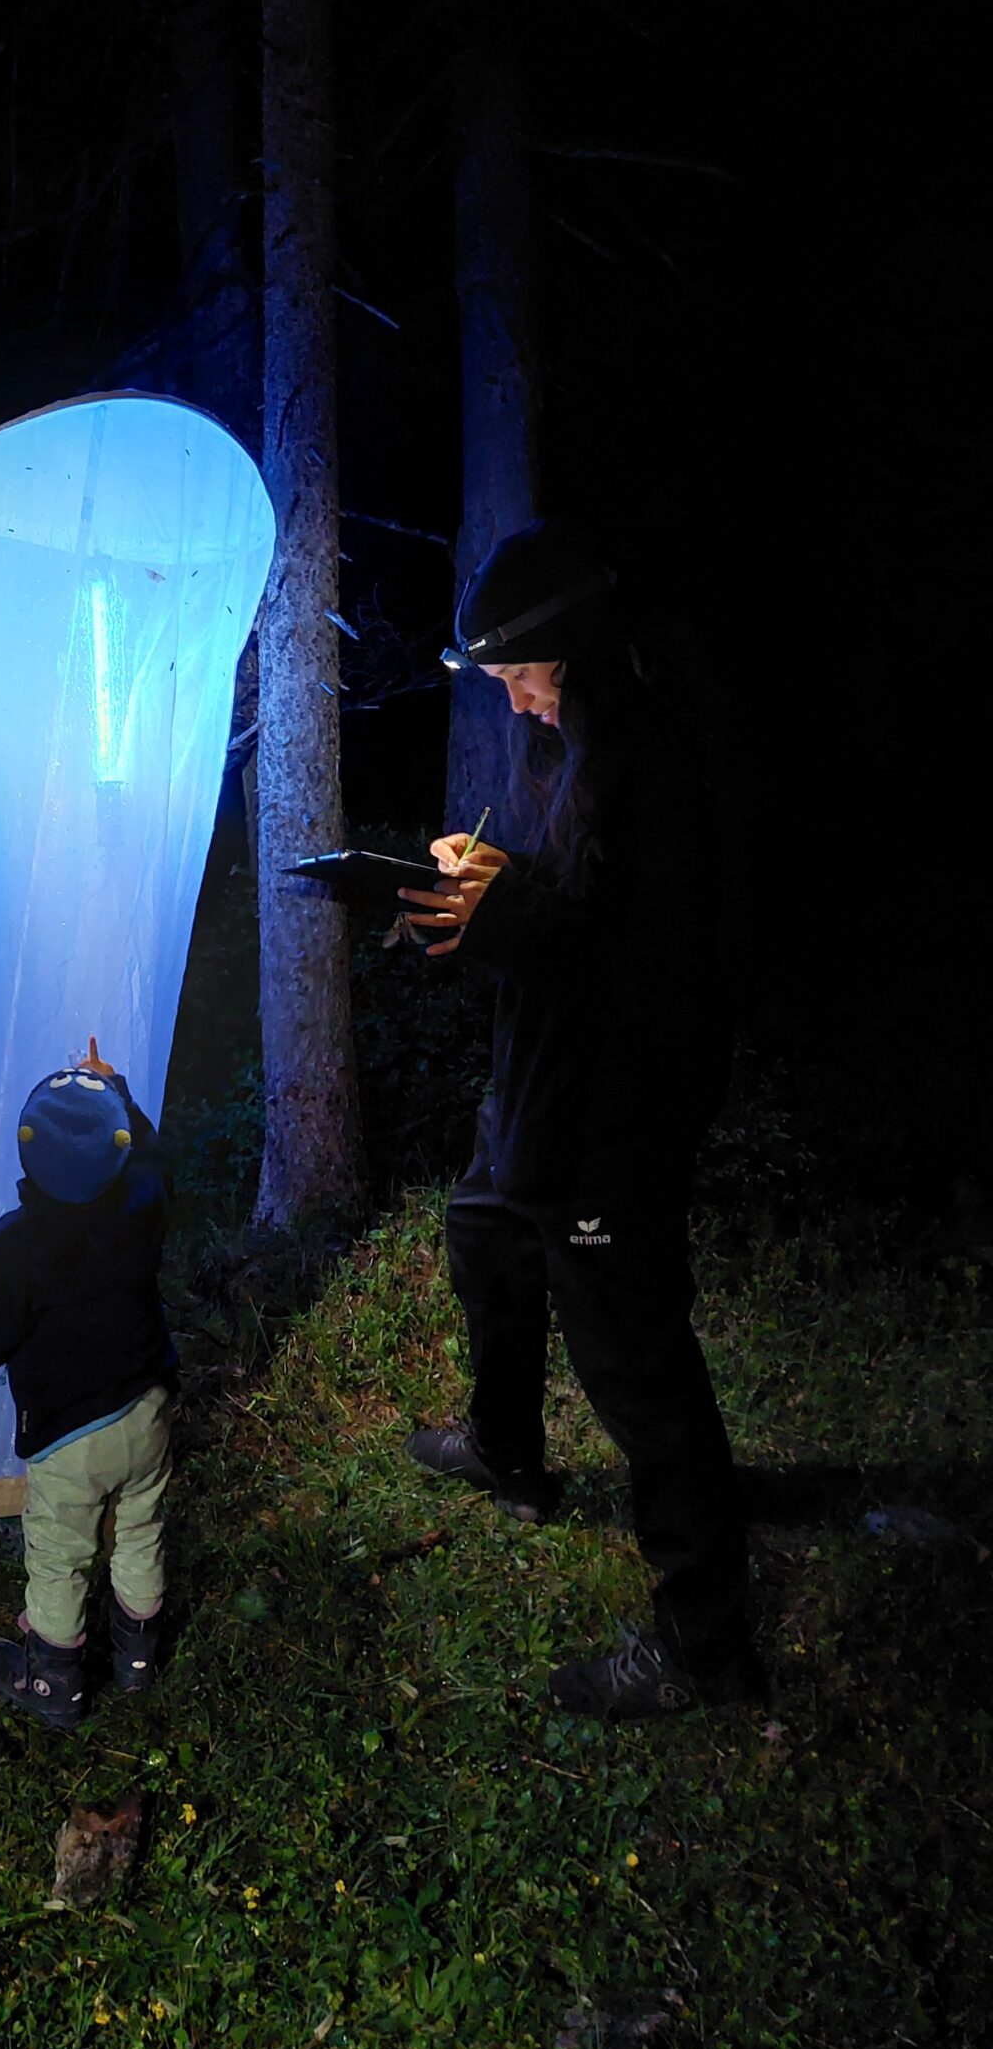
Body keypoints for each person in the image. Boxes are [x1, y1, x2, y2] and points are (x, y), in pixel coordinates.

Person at [398, 518, 765, 1721]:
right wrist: (482, 875)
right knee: (481, 1233)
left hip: (611, 1124)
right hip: (537, 1095)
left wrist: (501, 912)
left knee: (638, 1368)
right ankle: (505, 1446)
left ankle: (706, 1647)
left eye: (521, 675)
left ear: (575, 649)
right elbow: (561, 890)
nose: (513, 701)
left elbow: (637, 962)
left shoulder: (653, 761)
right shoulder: (572, 747)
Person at [0, 1043, 177, 1731]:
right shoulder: (142, 1200)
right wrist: (117, 1092)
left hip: (70, 1436)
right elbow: (152, 1158)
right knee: (140, 1527)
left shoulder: (18, 1245)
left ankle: (54, 1678)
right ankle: (137, 1656)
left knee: (60, 1552)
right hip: (148, 1409)